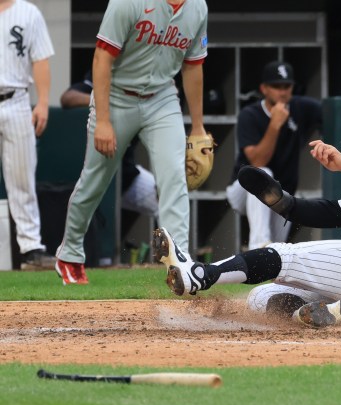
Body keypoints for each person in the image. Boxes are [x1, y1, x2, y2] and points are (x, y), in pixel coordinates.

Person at [153, 97, 341, 328]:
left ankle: (200, 274)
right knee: (261, 298)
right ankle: (323, 315)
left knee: (285, 255)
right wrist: (283, 203)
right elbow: (330, 213)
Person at [55, 0, 209, 285]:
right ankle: (70, 253)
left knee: (174, 178)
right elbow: (102, 58)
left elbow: (193, 66)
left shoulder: (198, 7)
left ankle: (179, 265)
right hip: (116, 96)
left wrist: (197, 126)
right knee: (95, 181)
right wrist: (103, 120)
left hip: (162, 98)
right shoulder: (129, 2)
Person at [226, 61, 322, 250]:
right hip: (243, 190)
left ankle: (264, 259)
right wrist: (275, 125)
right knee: (261, 173)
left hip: (281, 194)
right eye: (276, 86)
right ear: (264, 88)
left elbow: (333, 112)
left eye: (286, 86)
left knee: (276, 251)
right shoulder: (250, 114)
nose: (282, 91)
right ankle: (257, 245)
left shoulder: (300, 107)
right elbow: (257, 161)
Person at [60, 71, 159, 235]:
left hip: (126, 177)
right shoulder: (100, 78)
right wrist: (103, 103)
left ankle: (173, 256)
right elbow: (68, 98)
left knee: (167, 202)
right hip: (94, 175)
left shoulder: (142, 88)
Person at [0, 0, 56, 270]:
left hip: (17, 99)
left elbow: (40, 59)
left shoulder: (28, 12)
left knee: (22, 178)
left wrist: (43, 101)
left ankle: (31, 248)